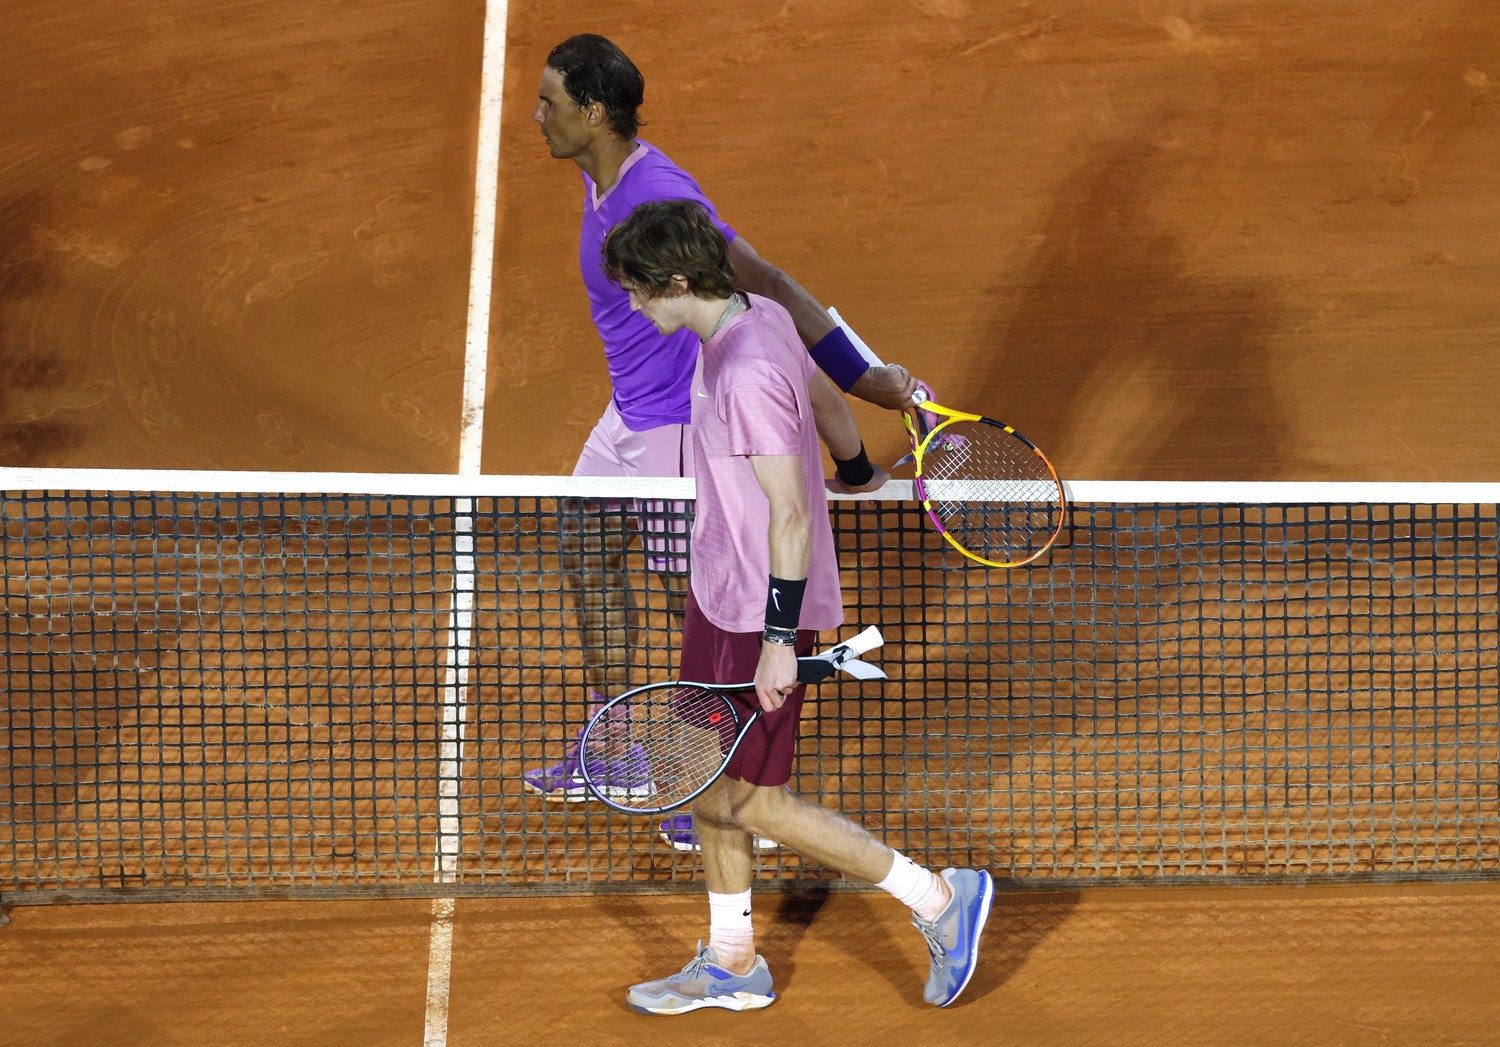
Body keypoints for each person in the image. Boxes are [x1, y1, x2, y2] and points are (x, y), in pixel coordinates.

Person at [522, 34, 923, 852]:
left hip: (678, 423)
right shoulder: (603, 174)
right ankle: (619, 745)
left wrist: (862, 376)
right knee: (585, 547)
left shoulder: (658, 192)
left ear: (593, 113)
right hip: (628, 414)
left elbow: (764, 280)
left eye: (549, 103)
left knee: (701, 601)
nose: (538, 116)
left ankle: (712, 781)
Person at [600, 199, 993, 1012]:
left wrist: (780, 639)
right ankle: (733, 963)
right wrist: (856, 469)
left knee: (754, 799)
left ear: (678, 281)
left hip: (756, 614)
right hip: (720, 596)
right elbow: (828, 405)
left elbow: (789, 514)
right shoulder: (760, 317)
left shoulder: (743, 372)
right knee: (709, 782)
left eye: (640, 289)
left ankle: (939, 899)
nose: (634, 305)